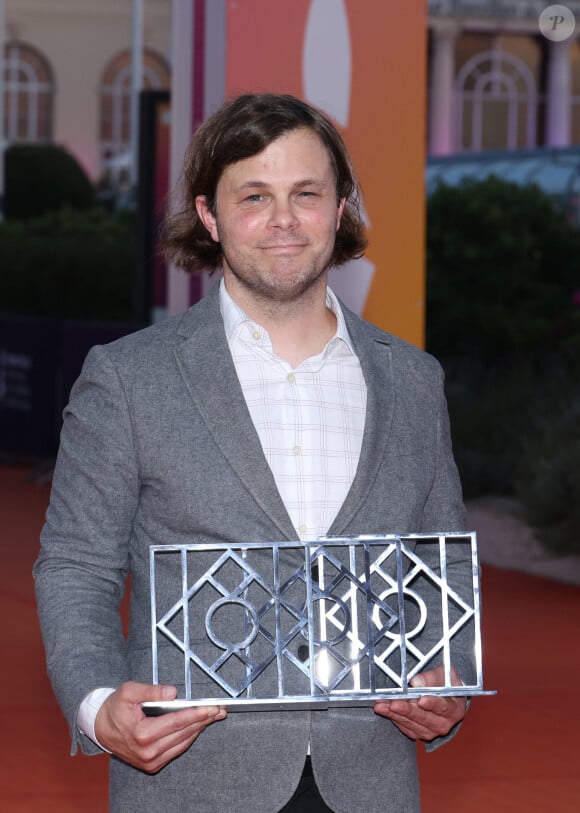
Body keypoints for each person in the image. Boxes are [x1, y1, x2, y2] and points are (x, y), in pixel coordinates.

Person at [34, 93, 474, 813]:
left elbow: (441, 562)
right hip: (189, 781)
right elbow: (77, 566)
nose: (282, 221)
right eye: (254, 197)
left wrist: (447, 674)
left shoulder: (413, 380)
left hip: (371, 780)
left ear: (340, 208)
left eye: (306, 194)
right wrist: (97, 702)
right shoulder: (128, 377)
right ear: (209, 215)